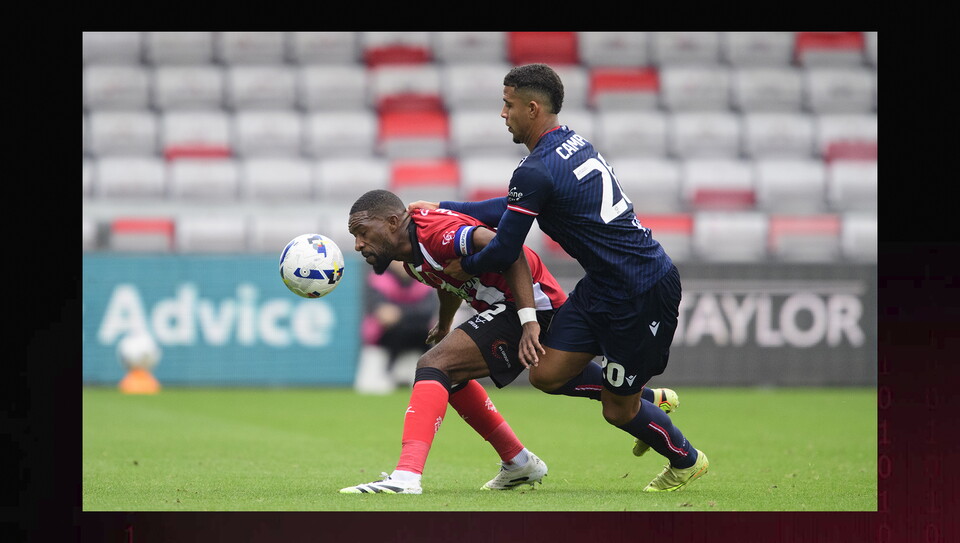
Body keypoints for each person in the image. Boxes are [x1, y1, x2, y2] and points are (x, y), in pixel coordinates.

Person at [407, 63, 708, 492]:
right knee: (545, 374)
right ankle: (645, 398)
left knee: (617, 412)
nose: (502, 114)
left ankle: (686, 459)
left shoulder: (534, 170)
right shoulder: (569, 144)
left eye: (508, 105)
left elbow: (505, 248)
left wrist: (466, 266)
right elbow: (510, 208)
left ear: (532, 108)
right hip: (603, 285)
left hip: (641, 289)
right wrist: (440, 206)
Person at [340, 188, 609, 495]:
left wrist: (527, 318)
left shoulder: (437, 233)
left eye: (362, 233)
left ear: (391, 222)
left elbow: (510, 250)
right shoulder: (411, 260)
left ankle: (405, 477)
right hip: (512, 306)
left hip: (531, 304)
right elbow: (444, 279)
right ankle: (519, 462)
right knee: (450, 373)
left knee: (434, 364)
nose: (358, 244)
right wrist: (444, 325)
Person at [354, 260, 437, 394]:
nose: (402, 263)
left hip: (417, 344)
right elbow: (383, 314)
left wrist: (400, 313)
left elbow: (427, 312)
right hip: (382, 343)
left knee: (422, 332)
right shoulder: (378, 279)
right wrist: (411, 313)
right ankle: (388, 371)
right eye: (398, 259)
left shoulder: (423, 279)